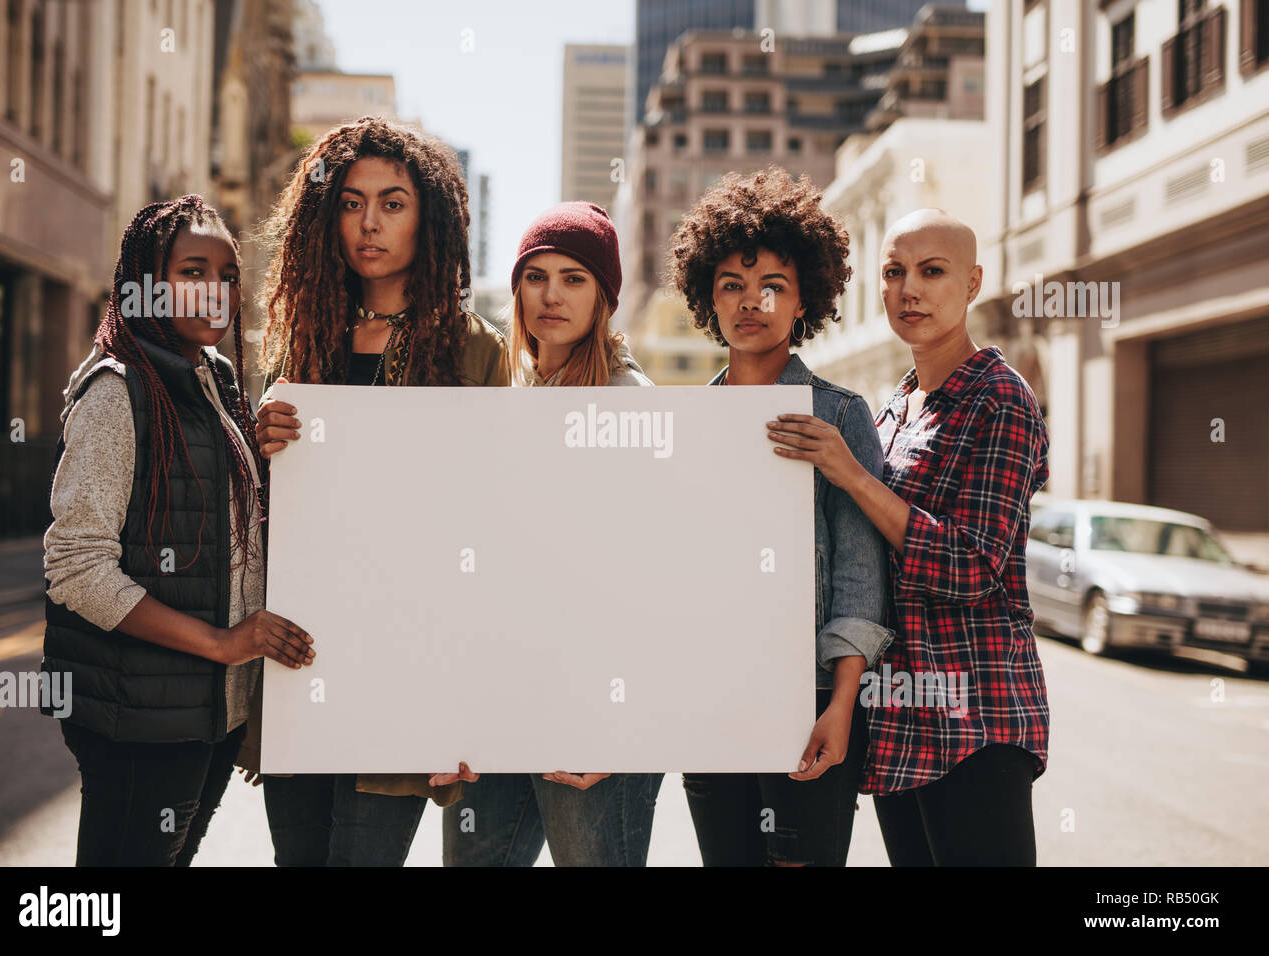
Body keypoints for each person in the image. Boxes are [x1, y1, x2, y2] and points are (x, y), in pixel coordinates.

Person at [253, 116, 509, 866]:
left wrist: (462, 704)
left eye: (393, 203)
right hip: (298, 662)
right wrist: (262, 447)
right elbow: (270, 511)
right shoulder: (300, 339)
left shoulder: (470, 346)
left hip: (404, 664)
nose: (370, 223)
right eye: (352, 202)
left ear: (427, 218)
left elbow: (493, 534)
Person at [764, 208, 1050, 866]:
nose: (909, 290)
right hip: (899, 722)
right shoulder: (894, 407)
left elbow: (971, 566)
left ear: (973, 283)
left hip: (977, 723)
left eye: (931, 272)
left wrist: (852, 475)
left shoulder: (1001, 398)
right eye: (894, 273)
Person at [41, 195, 315, 866]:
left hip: (206, 714)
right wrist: (222, 644)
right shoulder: (118, 392)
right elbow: (77, 568)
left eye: (227, 276)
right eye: (193, 271)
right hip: (139, 718)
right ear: (143, 284)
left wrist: (260, 452)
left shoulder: (212, 382)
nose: (217, 291)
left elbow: (218, 526)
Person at [665, 167, 894, 866]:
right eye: (731, 284)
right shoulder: (685, 423)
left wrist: (842, 704)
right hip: (713, 700)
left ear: (803, 303)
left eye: (772, 285)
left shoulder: (840, 414)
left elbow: (860, 569)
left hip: (810, 699)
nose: (750, 301)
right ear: (709, 298)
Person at [441, 202, 661, 867]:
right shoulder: (503, 396)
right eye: (535, 276)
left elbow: (658, 582)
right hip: (499, 694)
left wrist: (620, 726)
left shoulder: (632, 403)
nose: (552, 294)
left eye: (574, 277)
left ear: (604, 297)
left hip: (593, 705)